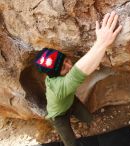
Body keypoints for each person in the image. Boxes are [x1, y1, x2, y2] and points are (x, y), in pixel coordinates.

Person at [34, 11, 122, 146]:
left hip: (71, 101)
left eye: (67, 60)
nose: (69, 65)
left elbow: (89, 67)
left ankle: (84, 123)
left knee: (88, 118)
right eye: (63, 67)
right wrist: (101, 42)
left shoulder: (60, 81)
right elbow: (78, 72)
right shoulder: (59, 88)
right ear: (55, 75)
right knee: (70, 142)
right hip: (58, 116)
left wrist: (102, 45)